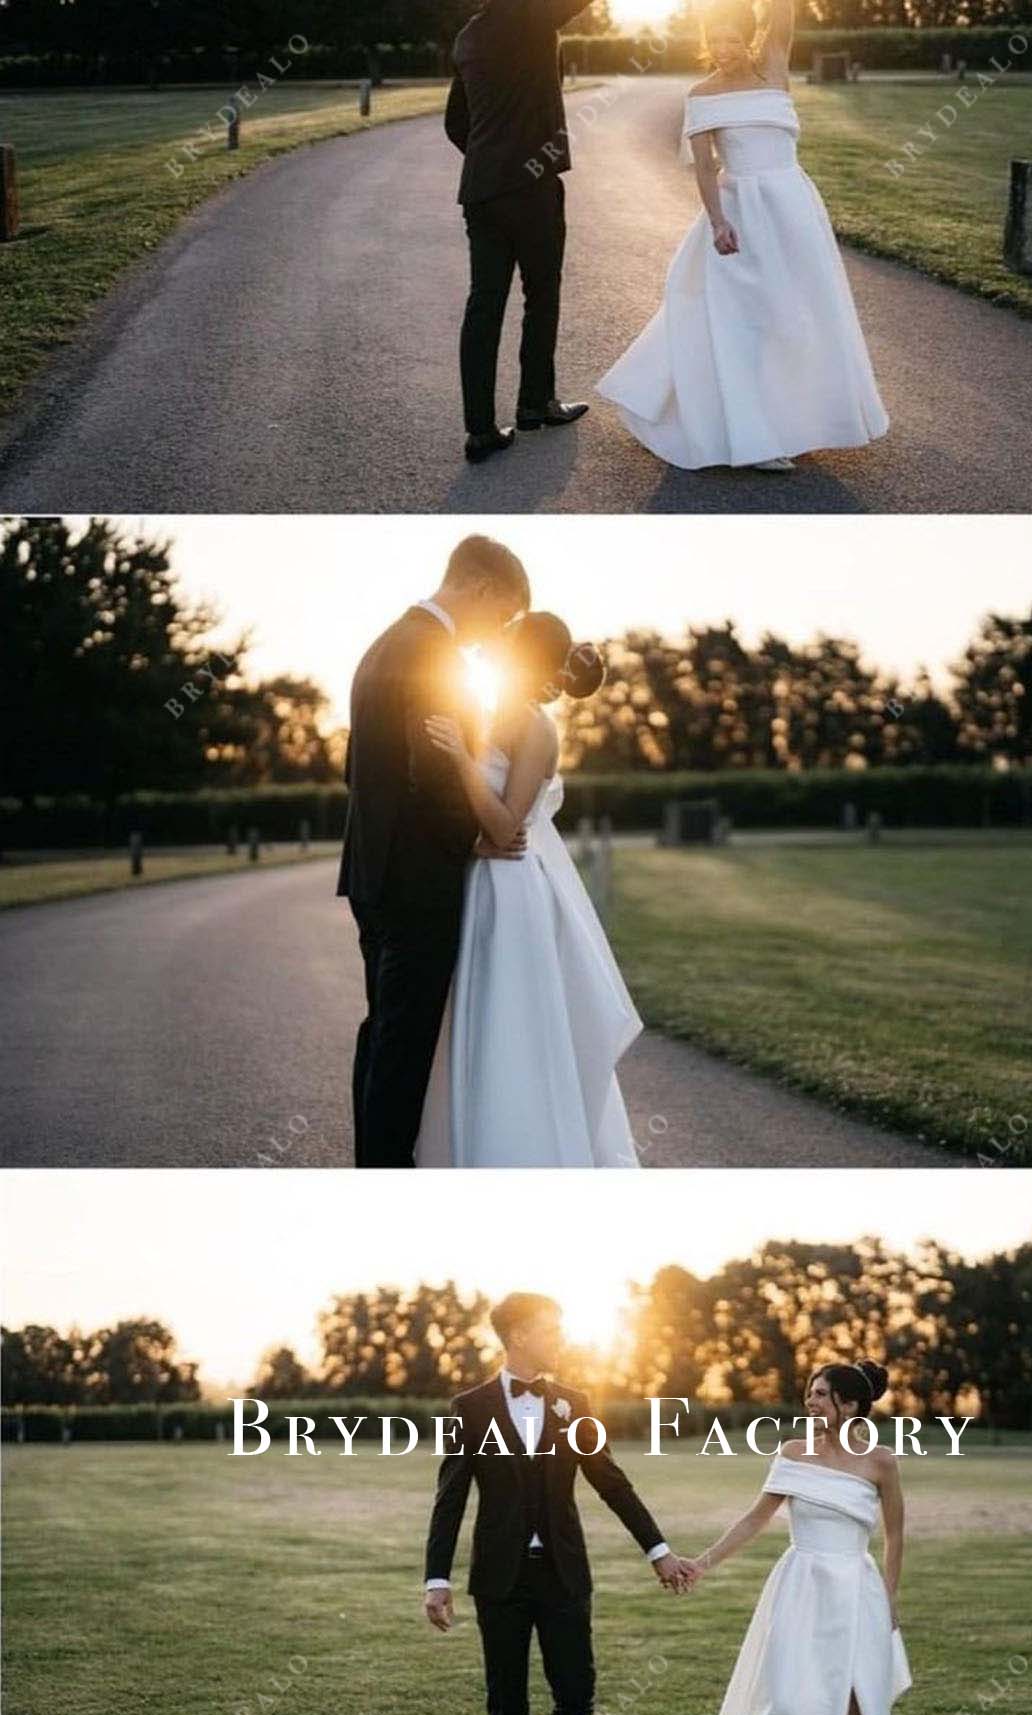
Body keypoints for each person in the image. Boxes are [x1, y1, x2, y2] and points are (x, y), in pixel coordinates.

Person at [597, 0, 888, 472]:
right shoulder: (702, 95)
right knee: (748, 321)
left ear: (749, 40)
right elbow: (705, 167)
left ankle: (797, 423)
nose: (723, 49)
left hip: (794, 208)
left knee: (798, 313)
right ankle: (756, 439)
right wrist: (717, 221)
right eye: (714, 41)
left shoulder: (774, 70)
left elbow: (782, 15)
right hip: (740, 215)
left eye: (732, 39)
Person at [424, 1293, 694, 1715]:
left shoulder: (575, 1404)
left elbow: (611, 1482)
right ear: (519, 1335)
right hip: (499, 1577)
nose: (561, 1339)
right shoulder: (470, 1408)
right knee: (506, 1701)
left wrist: (659, 1551)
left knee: (577, 1692)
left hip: (563, 1572)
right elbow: (450, 1499)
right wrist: (437, 1580)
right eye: (552, 1329)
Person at [415, 611, 641, 1166]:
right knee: (477, 1023)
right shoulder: (494, 713)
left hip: (512, 893)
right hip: (485, 881)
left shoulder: (536, 728)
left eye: (507, 639)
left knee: (510, 1025)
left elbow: (505, 827)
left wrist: (462, 759)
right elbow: (484, 833)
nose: (494, 644)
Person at [336, 535, 531, 1168]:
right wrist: (477, 837)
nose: (496, 631)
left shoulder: (384, 644)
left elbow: (353, 767)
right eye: (502, 614)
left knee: (382, 1032)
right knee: (405, 1043)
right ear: (481, 587)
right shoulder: (433, 655)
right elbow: (433, 774)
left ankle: (373, 1162)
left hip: (372, 871)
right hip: (418, 879)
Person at [684, 1359, 911, 1715]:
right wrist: (702, 1563)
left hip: (857, 1591)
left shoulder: (881, 1462)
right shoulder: (792, 1453)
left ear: (849, 1405)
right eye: (810, 1393)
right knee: (786, 1702)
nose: (810, 1401)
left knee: (856, 1702)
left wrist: (887, 1597)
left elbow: (896, 1535)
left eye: (821, 1394)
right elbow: (755, 1518)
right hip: (800, 1587)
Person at [446, 0, 592, 464]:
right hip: (531, 185)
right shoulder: (533, 16)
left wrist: (491, 159)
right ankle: (535, 403)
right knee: (541, 294)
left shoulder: (468, 35)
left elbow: (455, 123)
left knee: (484, 304)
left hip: (482, 189)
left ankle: (480, 431)